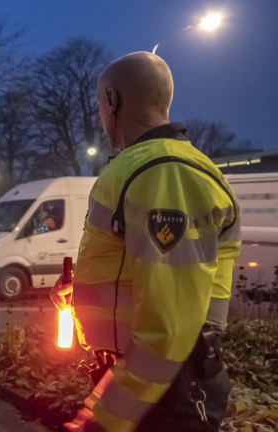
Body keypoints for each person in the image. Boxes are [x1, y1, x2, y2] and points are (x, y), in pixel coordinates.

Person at [50, 52, 240, 432]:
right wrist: (85, 290)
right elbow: (154, 278)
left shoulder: (161, 172)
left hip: (166, 395)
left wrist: (106, 419)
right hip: (163, 387)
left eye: (100, 105)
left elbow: (168, 327)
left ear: (111, 99)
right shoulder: (157, 167)